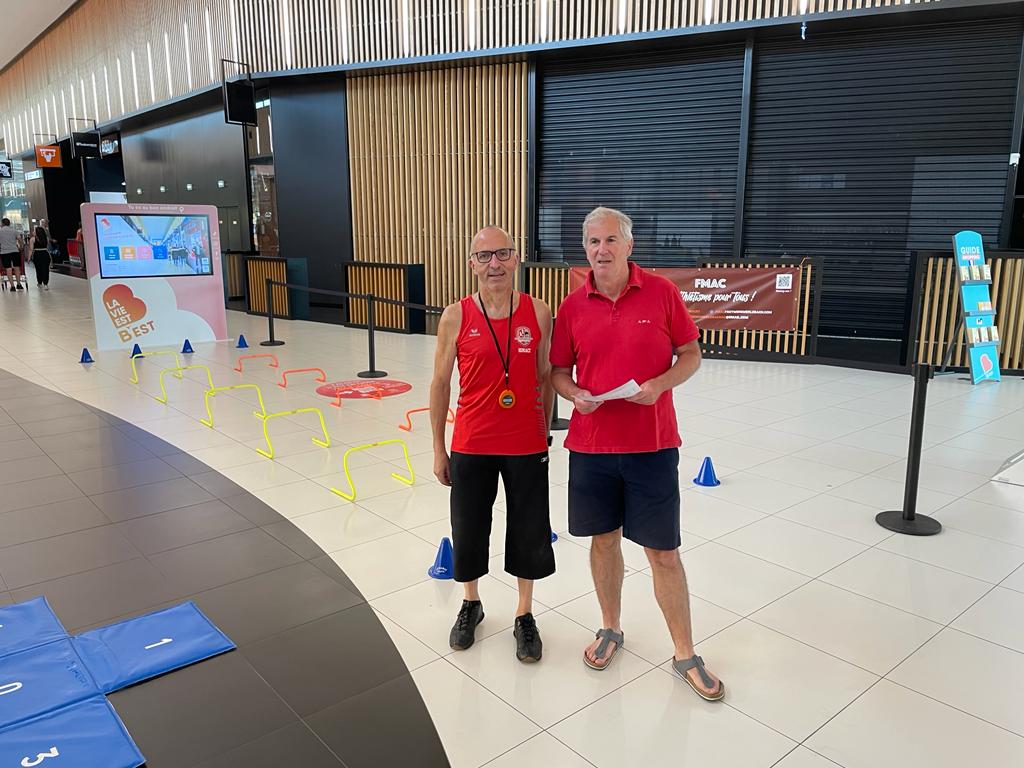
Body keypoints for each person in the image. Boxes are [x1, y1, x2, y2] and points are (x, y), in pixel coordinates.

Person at [550, 206, 724, 701]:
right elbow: (558, 370)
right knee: (603, 542)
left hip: (652, 445)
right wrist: (573, 393)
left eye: (610, 240)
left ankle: (686, 653)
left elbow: (691, 354)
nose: (600, 250)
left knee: (663, 553)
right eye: (592, 242)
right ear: (585, 249)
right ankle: (610, 627)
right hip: (592, 447)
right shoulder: (572, 306)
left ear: (629, 245)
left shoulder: (662, 293)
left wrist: (660, 384)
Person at [430, 225, 555, 663]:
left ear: (516, 258)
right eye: (484, 256)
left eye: (502, 254)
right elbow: (440, 383)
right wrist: (439, 448)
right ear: (472, 264)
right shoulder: (456, 315)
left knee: (529, 529)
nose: (494, 264)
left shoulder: (539, 312)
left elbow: (545, 376)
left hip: (526, 442)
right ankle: (471, 603)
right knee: (468, 528)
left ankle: (524, 613)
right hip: (472, 441)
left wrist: (544, 432)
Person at [0, 218, 25, 291]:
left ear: (2, 223)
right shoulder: (14, 230)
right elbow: (20, 240)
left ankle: (12, 286)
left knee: (8, 268)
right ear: (9, 223)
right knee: (17, 267)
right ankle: (19, 284)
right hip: (15, 251)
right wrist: (21, 247)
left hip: (4, 252)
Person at [29, 220, 51, 290]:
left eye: (34, 231)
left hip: (37, 254)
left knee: (38, 269)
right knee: (46, 269)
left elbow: (31, 249)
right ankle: (46, 284)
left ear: (37, 232)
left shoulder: (32, 239)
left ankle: (40, 282)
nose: (33, 232)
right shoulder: (46, 238)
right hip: (45, 253)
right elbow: (47, 246)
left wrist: (29, 257)